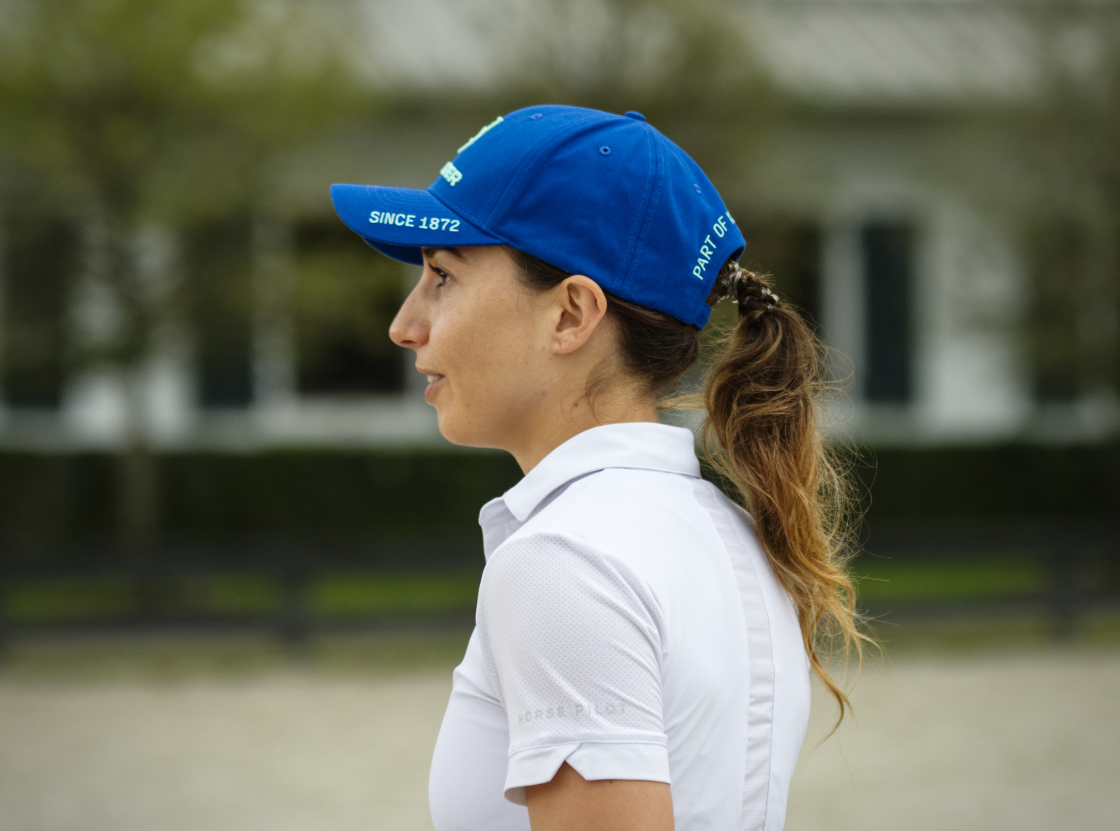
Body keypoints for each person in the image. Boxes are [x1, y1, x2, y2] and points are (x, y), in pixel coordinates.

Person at [328, 105, 865, 831]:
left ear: (571, 314)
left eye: (443, 278)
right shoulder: (733, 534)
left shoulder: (565, 560)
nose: (405, 324)